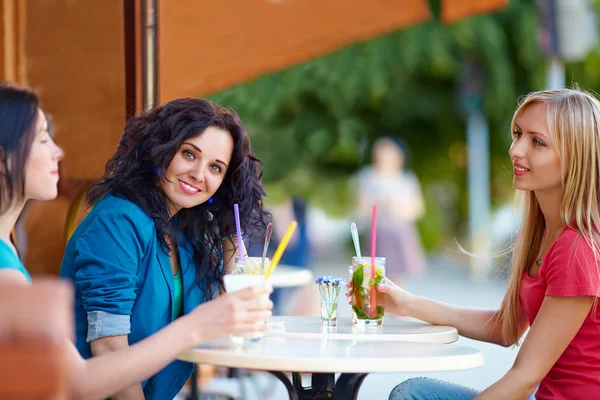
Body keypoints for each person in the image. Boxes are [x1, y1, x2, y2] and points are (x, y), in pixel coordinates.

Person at [0, 84, 273, 400]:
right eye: (188, 154)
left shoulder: (181, 229)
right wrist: (197, 326)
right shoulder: (120, 220)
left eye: (215, 168)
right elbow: (103, 355)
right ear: (161, 150)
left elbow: (231, 322)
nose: (199, 174)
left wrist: (230, 234)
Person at [351, 88, 600, 400]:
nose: (516, 150)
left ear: (576, 157)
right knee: (413, 393)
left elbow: (524, 379)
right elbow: (506, 328)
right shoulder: (542, 235)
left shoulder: (576, 248)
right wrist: (406, 303)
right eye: (518, 134)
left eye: (537, 142)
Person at [355, 136, 426, 282]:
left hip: (400, 233)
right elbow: (359, 209)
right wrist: (377, 203)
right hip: (377, 233)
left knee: (398, 279)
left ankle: (396, 304)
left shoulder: (407, 179)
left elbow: (418, 209)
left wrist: (396, 207)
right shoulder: (367, 177)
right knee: (374, 277)